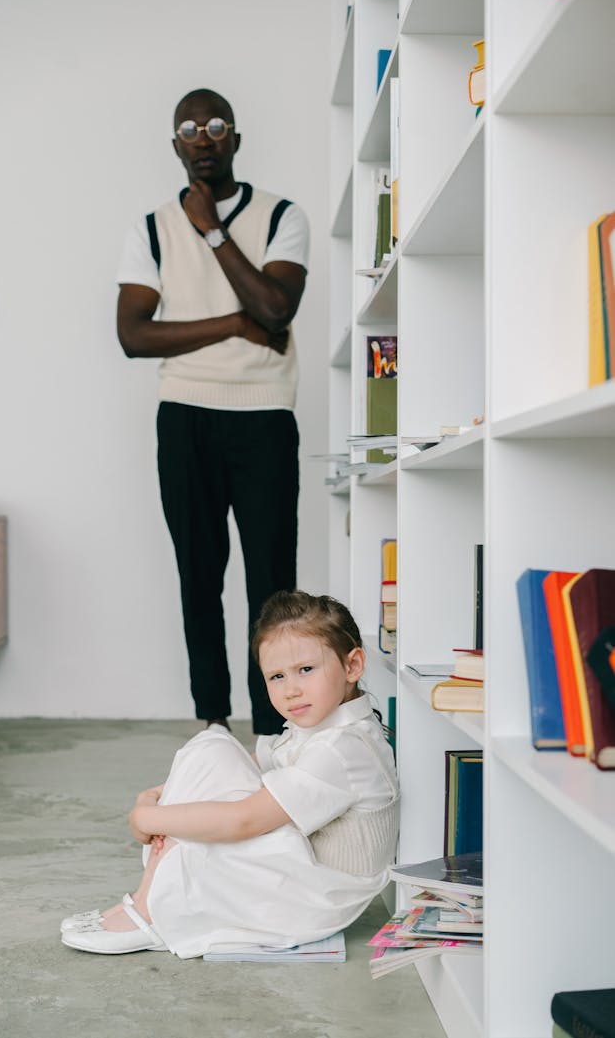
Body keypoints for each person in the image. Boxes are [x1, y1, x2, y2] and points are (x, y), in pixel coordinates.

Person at [116, 88, 310, 735]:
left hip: (264, 420)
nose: (204, 138)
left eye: (218, 126)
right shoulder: (149, 227)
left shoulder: (284, 215)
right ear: (176, 145)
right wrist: (234, 320)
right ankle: (213, 729)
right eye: (191, 129)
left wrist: (213, 229)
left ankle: (274, 731)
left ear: (236, 139)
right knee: (199, 579)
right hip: (186, 419)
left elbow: (277, 309)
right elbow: (134, 336)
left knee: (272, 586)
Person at [60, 590, 400, 957]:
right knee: (213, 745)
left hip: (314, 898)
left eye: (306, 670)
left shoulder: (341, 749)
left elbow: (243, 821)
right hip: (298, 868)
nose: (290, 690)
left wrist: (150, 817)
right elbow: (241, 765)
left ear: (352, 666)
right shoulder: (321, 728)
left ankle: (152, 909)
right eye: (276, 676)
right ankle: (150, 893)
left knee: (207, 826)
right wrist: (157, 797)